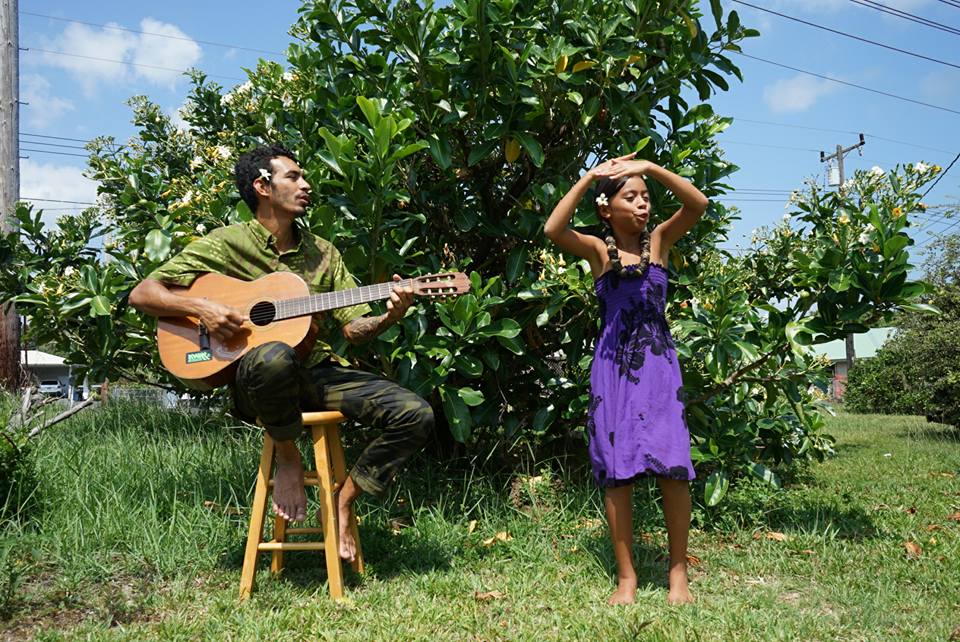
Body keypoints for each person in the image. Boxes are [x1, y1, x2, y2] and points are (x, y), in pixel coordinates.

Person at [129, 144, 434, 562]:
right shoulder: (225, 245)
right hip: (259, 381)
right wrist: (202, 307)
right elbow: (144, 293)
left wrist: (389, 316)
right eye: (293, 177)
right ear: (262, 186)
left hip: (317, 374)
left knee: (415, 414)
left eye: (304, 177)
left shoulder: (324, 252)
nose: (306, 184)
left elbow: (354, 327)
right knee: (273, 355)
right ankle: (288, 456)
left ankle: (345, 501)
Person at [543, 152, 708, 605]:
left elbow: (697, 204)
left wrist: (651, 169)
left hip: (659, 371)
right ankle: (627, 578)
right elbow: (553, 230)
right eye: (631, 197)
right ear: (606, 208)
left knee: (673, 468)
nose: (643, 206)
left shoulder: (659, 241)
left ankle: (678, 574)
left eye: (645, 197)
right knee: (618, 474)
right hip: (613, 372)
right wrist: (589, 177)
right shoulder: (599, 250)